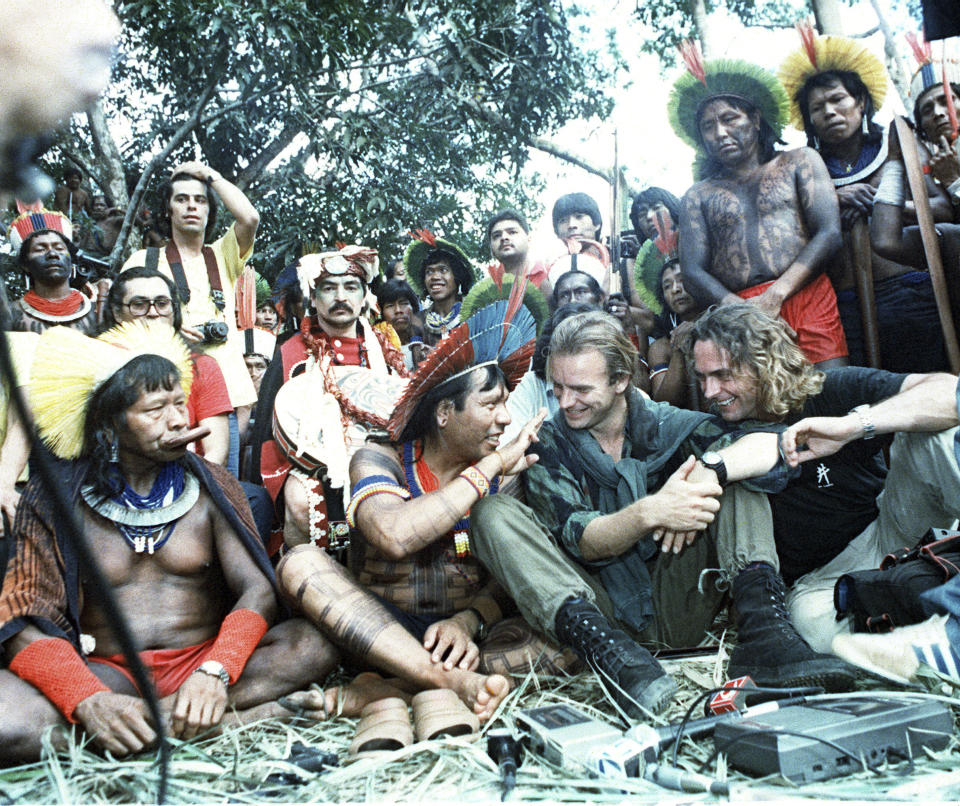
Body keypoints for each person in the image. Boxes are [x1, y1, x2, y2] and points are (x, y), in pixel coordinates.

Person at [470, 311, 853, 718]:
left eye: (581, 389)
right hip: (597, 614)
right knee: (490, 512)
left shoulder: (673, 426)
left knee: (736, 471)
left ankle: (765, 635)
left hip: (681, 596)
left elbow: (774, 444)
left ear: (620, 381)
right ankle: (608, 656)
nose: (565, 402)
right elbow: (582, 540)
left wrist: (710, 471)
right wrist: (652, 511)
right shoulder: (549, 442)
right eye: (558, 387)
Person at [0, 322, 337, 763]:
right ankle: (230, 721)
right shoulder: (56, 497)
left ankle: (134, 732)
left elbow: (257, 591)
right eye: (156, 409)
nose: (179, 420)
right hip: (103, 674)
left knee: (314, 643)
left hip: (206, 667)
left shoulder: (211, 485)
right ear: (109, 422)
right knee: (8, 723)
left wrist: (216, 670)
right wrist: (87, 699)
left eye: (180, 403)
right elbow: (21, 616)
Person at [277, 288, 567, 721]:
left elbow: (509, 578)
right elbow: (393, 535)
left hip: (462, 640)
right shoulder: (380, 457)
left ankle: (386, 692)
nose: (505, 419)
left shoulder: (505, 473)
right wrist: (486, 470)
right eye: (491, 405)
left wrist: (468, 622)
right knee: (300, 563)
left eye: (506, 405)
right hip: (376, 633)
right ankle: (445, 683)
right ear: (444, 413)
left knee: (564, 644)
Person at [685, 303, 960, 655]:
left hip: (891, 528)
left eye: (723, 375)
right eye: (702, 377)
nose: (709, 392)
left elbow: (947, 392)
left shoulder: (828, 392)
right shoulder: (714, 432)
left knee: (931, 436)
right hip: (821, 581)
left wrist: (853, 426)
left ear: (763, 361)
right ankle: (924, 650)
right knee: (810, 627)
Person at [779, 29, 949, 372]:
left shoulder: (897, 144)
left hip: (908, 290)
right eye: (817, 107)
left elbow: (943, 209)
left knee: (927, 394)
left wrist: (885, 206)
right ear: (809, 119)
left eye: (838, 99)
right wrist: (834, 202)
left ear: (860, 101)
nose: (829, 112)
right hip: (841, 306)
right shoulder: (804, 168)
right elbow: (789, 237)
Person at [671, 51, 848, 368]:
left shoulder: (800, 161)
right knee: (760, 408)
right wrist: (744, 311)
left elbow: (829, 233)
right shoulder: (698, 195)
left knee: (830, 392)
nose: (720, 133)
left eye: (729, 118)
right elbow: (693, 273)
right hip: (737, 313)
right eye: (708, 126)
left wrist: (776, 295)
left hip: (808, 294)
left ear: (755, 118)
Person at [252, 247, 408, 553]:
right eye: (329, 288)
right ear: (313, 297)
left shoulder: (386, 352)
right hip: (307, 467)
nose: (341, 297)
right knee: (301, 503)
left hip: (381, 460)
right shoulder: (289, 352)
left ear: (365, 297)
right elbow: (267, 437)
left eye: (351, 287)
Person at [121, 161, 260, 422]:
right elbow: (118, 322)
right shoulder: (143, 261)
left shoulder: (222, 255)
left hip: (223, 395)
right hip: (161, 392)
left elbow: (249, 217)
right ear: (168, 209)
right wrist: (165, 327)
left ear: (209, 209)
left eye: (200, 200)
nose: (192, 206)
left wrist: (211, 175)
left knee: (218, 465)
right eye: (182, 199)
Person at [6, 204, 98, 334]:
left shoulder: (98, 311)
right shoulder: (11, 315)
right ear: (25, 265)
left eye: (59, 248)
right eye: (40, 249)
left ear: (71, 259)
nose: (52, 254)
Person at [403, 231, 475, 347]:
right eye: (429, 272)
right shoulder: (417, 320)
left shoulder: (473, 314)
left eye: (443, 270)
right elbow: (419, 361)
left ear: (457, 276)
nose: (435, 277)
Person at [486, 209, 551, 295]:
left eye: (512, 232)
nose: (504, 237)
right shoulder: (487, 290)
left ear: (529, 239)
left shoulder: (550, 274)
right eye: (497, 235)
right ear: (491, 248)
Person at [375, 278, 424, 370]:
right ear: (380, 312)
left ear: (413, 308)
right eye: (390, 306)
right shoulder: (375, 348)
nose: (398, 310)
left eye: (404, 303)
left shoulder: (426, 341)